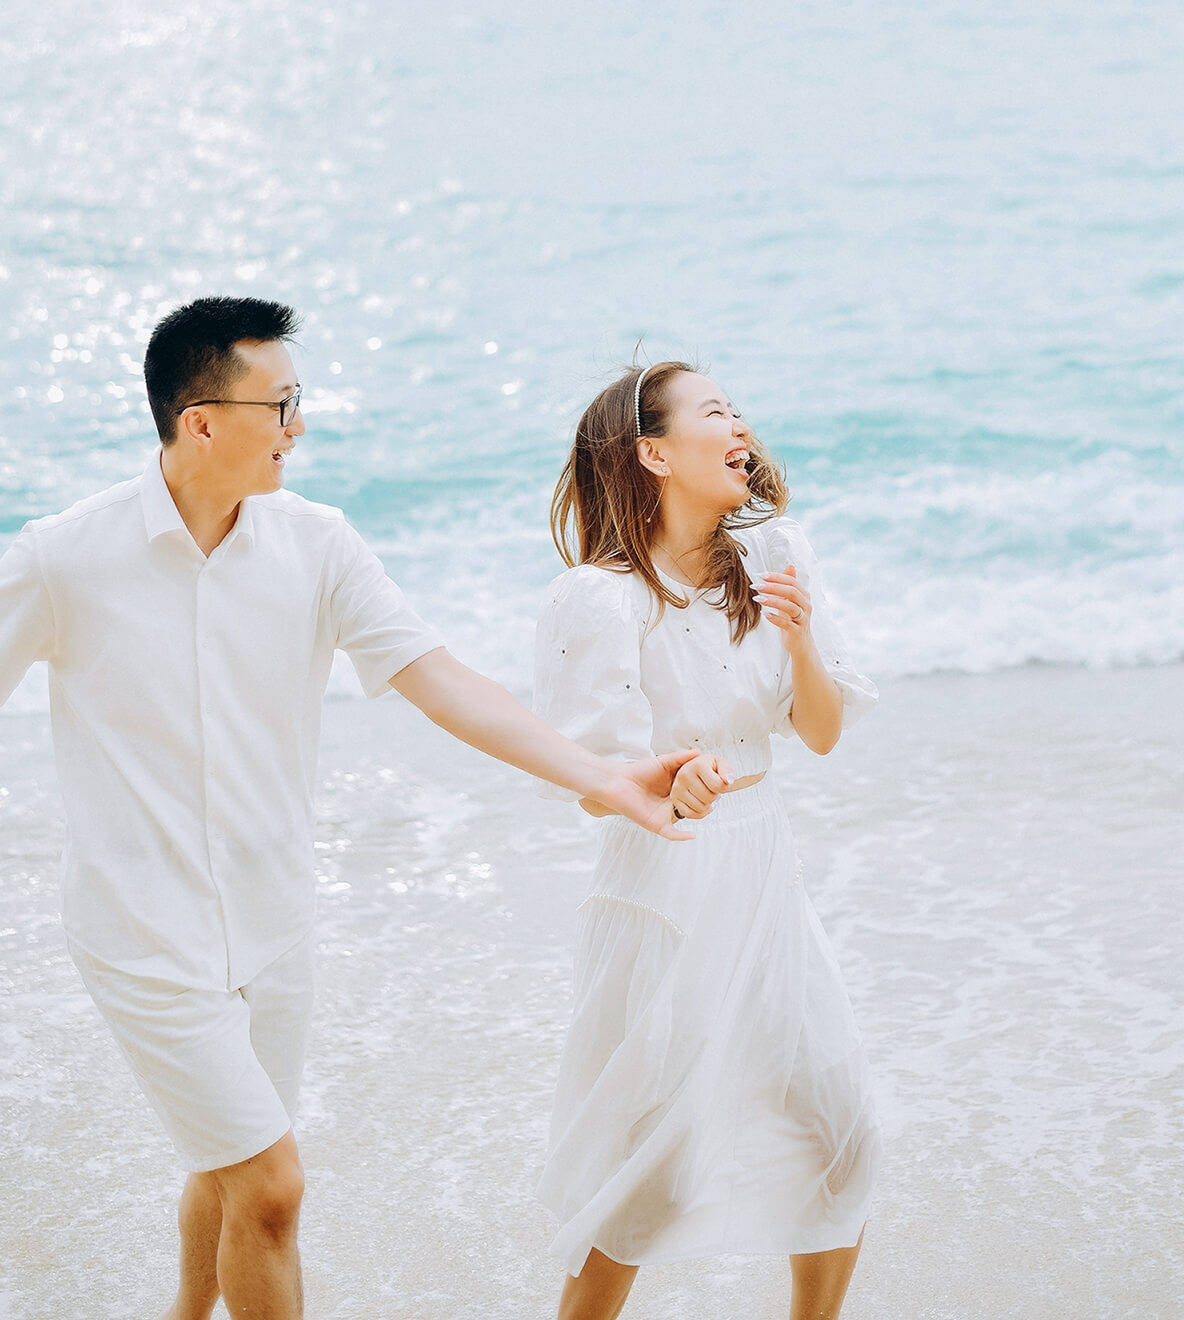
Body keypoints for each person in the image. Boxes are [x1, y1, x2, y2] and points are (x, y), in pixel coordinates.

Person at [0, 299, 712, 1320]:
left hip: (273, 924)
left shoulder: (318, 543)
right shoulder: (64, 556)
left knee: (230, 1163)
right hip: (141, 933)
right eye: (281, 403)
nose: (299, 423)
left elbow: (440, 678)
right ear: (201, 420)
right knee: (274, 1185)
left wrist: (598, 776)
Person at [532, 360, 881, 1320]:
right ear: (653, 453)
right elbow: (595, 786)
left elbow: (819, 731)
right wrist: (668, 784)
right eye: (715, 412)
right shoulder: (598, 600)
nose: (741, 427)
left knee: (838, 1126)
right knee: (652, 1166)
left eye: (737, 410)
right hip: (666, 878)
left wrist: (803, 644)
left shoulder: (776, 554)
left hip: (766, 861)